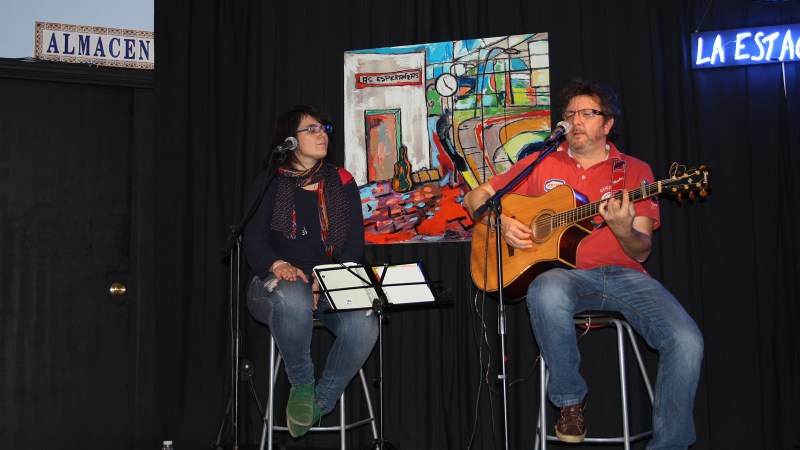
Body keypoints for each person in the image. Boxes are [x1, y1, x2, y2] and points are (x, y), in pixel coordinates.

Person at [463, 79, 703, 449]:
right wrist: (500, 223)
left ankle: (669, 445)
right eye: (570, 114)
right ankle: (570, 403)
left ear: (607, 124)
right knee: (544, 289)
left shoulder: (635, 171)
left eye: (587, 113)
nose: (576, 121)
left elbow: (640, 251)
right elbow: (475, 196)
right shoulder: (541, 163)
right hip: (568, 278)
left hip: (626, 277)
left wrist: (623, 230)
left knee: (687, 341)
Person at [243, 105, 378, 438]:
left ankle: (318, 401)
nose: (322, 134)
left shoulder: (342, 182)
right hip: (274, 288)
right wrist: (278, 265)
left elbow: (353, 247)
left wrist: (326, 279)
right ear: (290, 140)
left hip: (328, 286)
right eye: (312, 129)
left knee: (365, 320)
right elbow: (254, 240)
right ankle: (301, 383)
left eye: (324, 129)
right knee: (294, 296)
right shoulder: (271, 181)